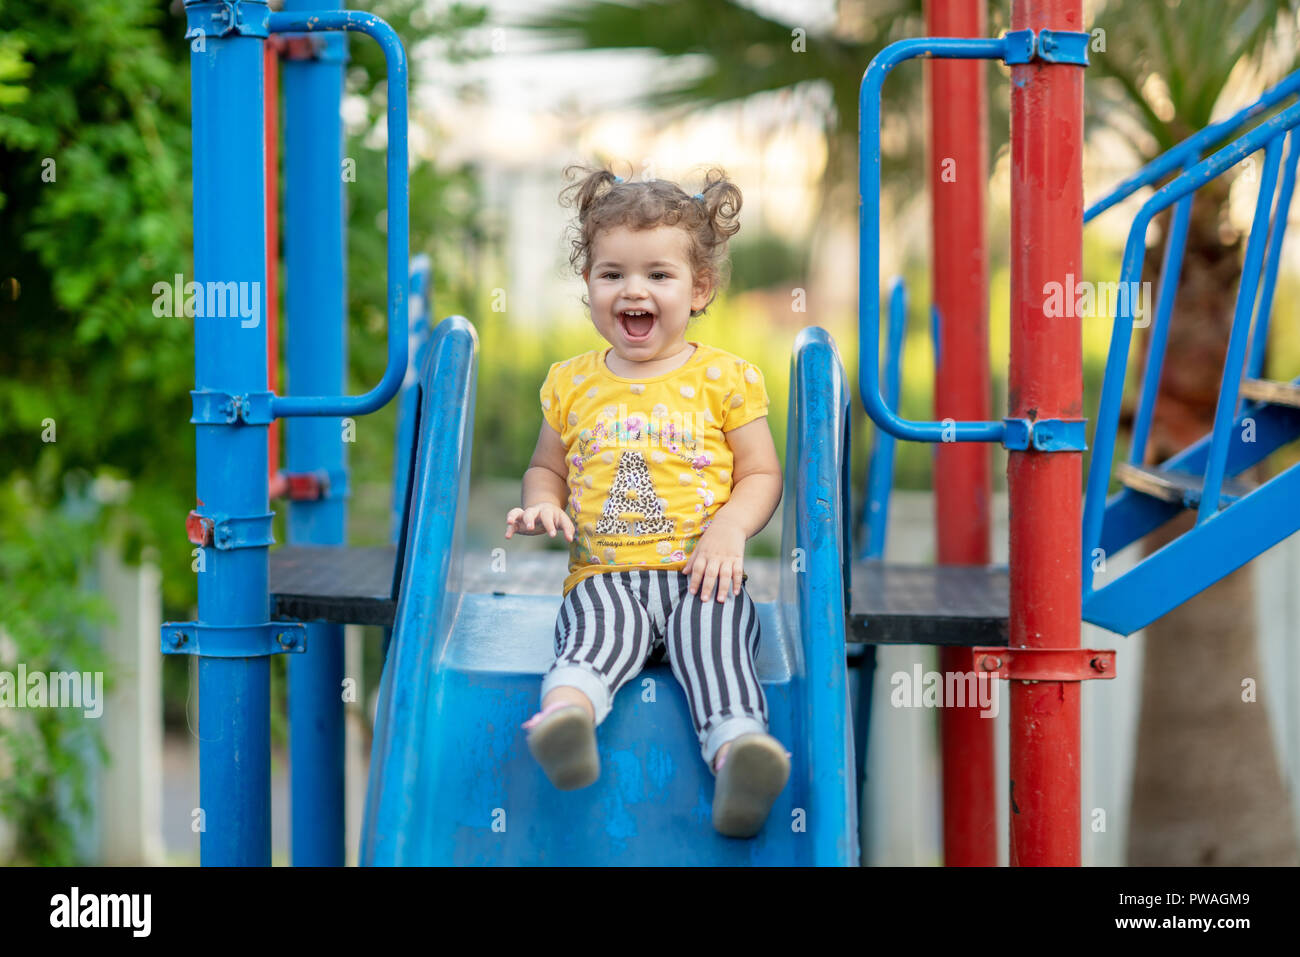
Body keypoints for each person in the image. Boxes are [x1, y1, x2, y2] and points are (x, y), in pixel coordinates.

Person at [503, 165, 790, 838]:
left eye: (658, 275)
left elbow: (761, 473)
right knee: (594, 637)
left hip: (703, 575)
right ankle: (567, 718)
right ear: (590, 286)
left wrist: (729, 528)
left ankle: (738, 752)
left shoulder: (726, 378)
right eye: (613, 274)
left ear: (699, 288)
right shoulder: (570, 383)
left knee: (717, 646)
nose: (634, 289)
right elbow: (545, 466)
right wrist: (542, 502)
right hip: (607, 576)